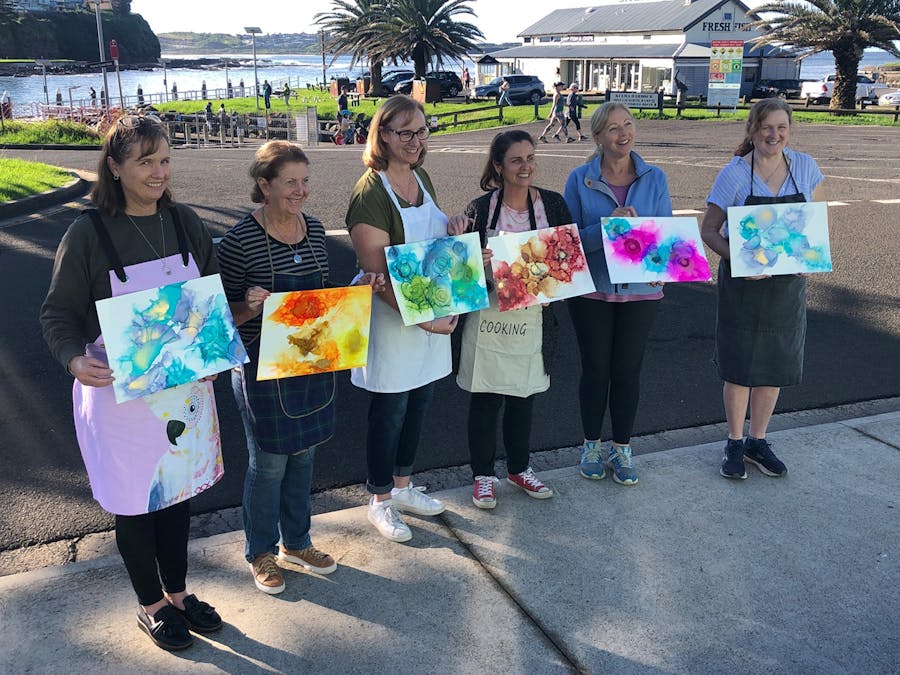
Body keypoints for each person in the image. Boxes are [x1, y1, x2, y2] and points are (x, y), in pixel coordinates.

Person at [40, 114, 224, 650]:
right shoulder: (87, 232)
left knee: (176, 495)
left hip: (183, 386)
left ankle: (179, 594)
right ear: (115, 167)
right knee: (135, 500)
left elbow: (208, 296)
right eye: (145, 161)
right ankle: (151, 604)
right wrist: (75, 360)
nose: (158, 172)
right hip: (117, 392)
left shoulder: (185, 222)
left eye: (165, 159)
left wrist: (222, 333)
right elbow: (57, 314)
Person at [218, 141, 385, 594]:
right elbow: (221, 320)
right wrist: (248, 306)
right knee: (268, 464)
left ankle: (297, 542)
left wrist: (358, 288)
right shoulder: (238, 243)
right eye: (290, 181)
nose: (301, 191)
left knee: (305, 455)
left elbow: (322, 297)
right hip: (262, 370)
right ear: (264, 185)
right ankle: (260, 551)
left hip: (312, 362)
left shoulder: (313, 230)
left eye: (305, 180)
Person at [346, 95, 468, 542]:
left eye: (421, 131)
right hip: (395, 321)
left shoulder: (422, 178)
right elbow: (377, 275)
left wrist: (452, 232)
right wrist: (426, 321)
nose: (415, 141)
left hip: (430, 316)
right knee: (389, 412)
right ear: (383, 135)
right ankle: (378, 499)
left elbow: (431, 249)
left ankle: (403, 486)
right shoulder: (370, 192)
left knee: (418, 406)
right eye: (405, 132)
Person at [700, 98, 825, 480]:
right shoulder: (735, 174)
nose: (775, 135)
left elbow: (815, 222)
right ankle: (734, 442)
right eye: (767, 128)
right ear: (752, 131)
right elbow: (709, 231)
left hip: (786, 289)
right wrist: (740, 262)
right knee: (739, 366)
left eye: (782, 128)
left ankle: (758, 440)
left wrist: (811, 256)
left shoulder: (805, 167)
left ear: (790, 131)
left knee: (774, 363)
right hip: (743, 287)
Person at [457, 130, 572, 508]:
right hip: (489, 316)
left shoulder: (553, 205)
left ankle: (519, 468)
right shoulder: (480, 209)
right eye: (516, 160)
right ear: (498, 166)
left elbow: (567, 261)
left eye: (530, 158)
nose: (526, 167)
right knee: (486, 398)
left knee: (524, 397)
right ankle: (483, 475)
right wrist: (478, 264)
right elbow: (462, 274)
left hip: (534, 319)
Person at [563, 101, 672, 486]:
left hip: (641, 292)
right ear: (597, 137)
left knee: (627, 372)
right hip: (593, 290)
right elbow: (570, 244)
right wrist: (610, 229)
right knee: (595, 371)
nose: (623, 133)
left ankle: (622, 448)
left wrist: (664, 266)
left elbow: (665, 234)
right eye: (612, 128)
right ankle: (591, 444)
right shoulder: (579, 179)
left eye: (627, 125)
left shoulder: (655, 178)